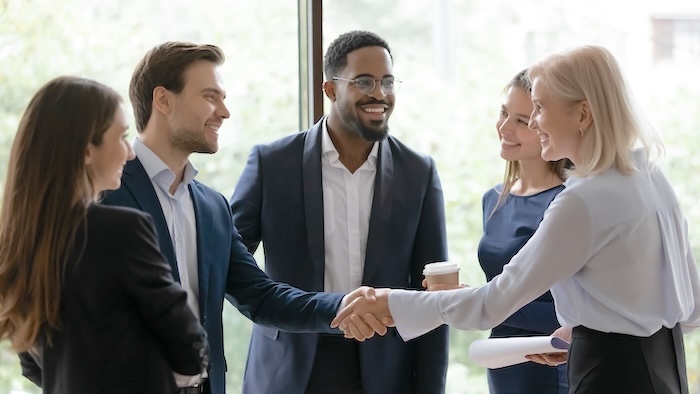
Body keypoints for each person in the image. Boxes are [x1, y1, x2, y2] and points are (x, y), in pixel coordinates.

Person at [333, 45, 700, 394]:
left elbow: (494, 302)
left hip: (607, 377)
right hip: (666, 373)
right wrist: (588, 331)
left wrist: (390, 303)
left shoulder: (582, 200)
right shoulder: (649, 174)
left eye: (539, 108)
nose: (534, 123)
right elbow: (691, 308)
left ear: (583, 115)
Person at [102, 41, 381, 394]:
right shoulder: (102, 193)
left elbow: (261, 296)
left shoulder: (212, 207)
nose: (224, 111)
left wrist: (342, 304)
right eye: (210, 96)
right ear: (163, 100)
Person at [230, 30, 449, 394]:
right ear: (330, 89)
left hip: (383, 371)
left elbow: (432, 293)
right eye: (364, 82)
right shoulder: (272, 163)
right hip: (289, 368)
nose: (379, 94)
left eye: (387, 82)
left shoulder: (418, 172)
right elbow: (231, 263)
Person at [0, 76, 208, 394]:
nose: (130, 153)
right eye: (122, 137)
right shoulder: (121, 229)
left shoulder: (19, 240)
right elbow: (185, 338)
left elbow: (32, 363)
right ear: (86, 151)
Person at [477, 69, 568, 393]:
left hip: (554, 364)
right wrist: (477, 302)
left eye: (521, 120)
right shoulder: (493, 199)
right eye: (503, 113)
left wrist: (479, 304)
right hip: (502, 362)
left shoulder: (567, 202)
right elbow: (498, 290)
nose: (504, 128)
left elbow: (576, 313)